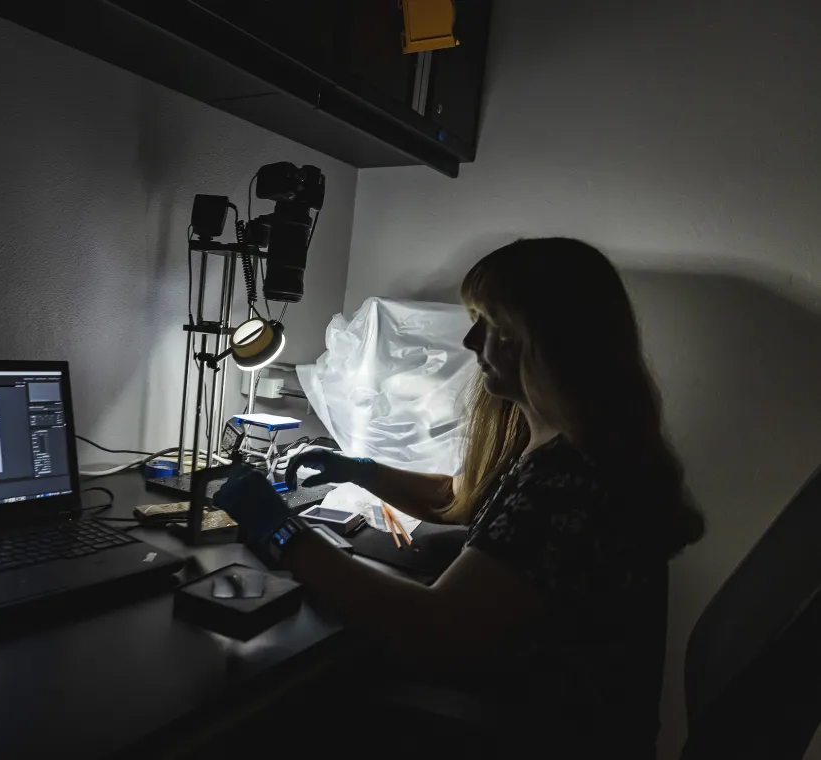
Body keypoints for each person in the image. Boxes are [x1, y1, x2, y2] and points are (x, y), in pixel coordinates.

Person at [213, 237, 704, 759]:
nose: (472, 341)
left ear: (543, 340)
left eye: (490, 323)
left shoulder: (571, 479)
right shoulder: (579, 448)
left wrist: (280, 531)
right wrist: (360, 469)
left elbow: (435, 632)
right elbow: (469, 500)